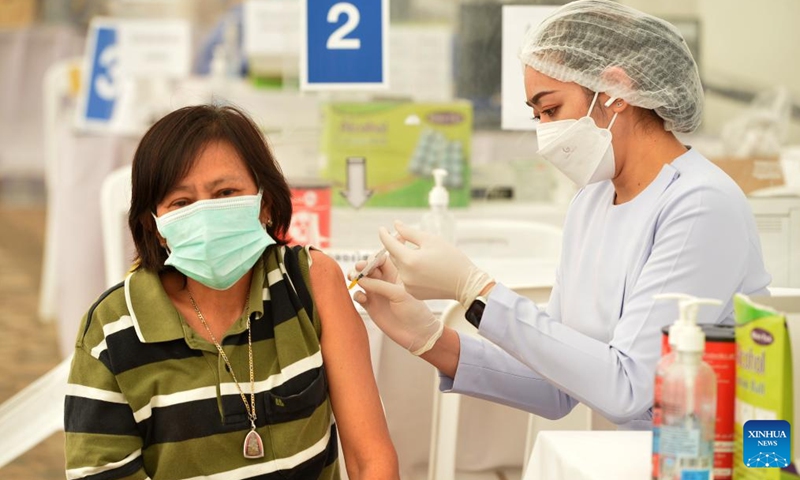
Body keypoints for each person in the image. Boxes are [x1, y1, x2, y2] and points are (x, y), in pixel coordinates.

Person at [351, 0, 771, 430]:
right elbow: (555, 385)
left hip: (708, 456)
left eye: (551, 110)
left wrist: (474, 290)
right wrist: (428, 337)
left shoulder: (700, 205)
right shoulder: (591, 201)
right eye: (537, 116)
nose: (545, 134)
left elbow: (629, 388)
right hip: (635, 454)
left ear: (615, 91)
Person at [64, 104, 399, 479]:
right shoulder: (111, 331)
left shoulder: (310, 281)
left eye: (226, 192)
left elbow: (371, 459)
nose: (206, 217)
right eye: (182, 203)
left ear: (264, 203)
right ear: (156, 226)